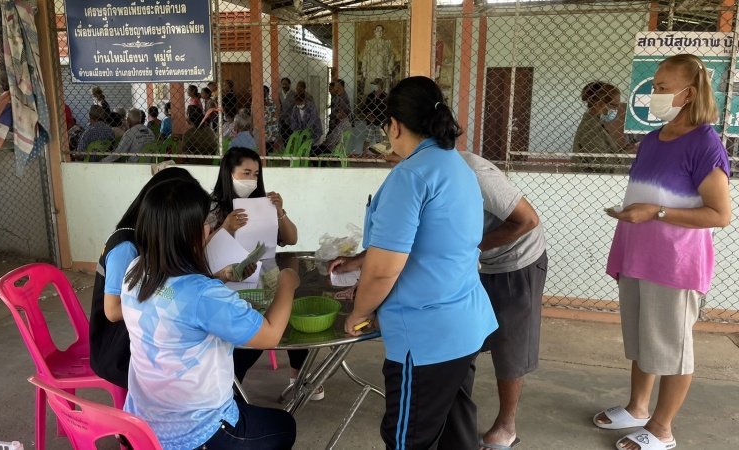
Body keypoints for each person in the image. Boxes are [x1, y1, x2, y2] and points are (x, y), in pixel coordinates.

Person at [328, 76, 497, 449]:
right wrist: (360, 260)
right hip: (464, 324)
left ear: (395, 125)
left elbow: (385, 269)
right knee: (455, 429)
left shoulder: (410, 176)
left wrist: (359, 311)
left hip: (425, 337)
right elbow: (430, 242)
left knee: (408, 438)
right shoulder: (455, 165)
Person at [597, 54, 731, 450]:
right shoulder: (654, 140)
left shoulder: (705, 145)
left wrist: (656, 212)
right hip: (638, 255)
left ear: (688, 94)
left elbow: (720, 214)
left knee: (673, 349)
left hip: (674, 265)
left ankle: (662, 429)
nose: (652, 94)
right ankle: (638, 407)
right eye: (654, 86)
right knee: (643, 340)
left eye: (661, 88)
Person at [119, 176, 298, 450]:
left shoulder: (136, 271)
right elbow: (270, 335)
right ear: (193, 233)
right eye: (207, 223)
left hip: (141, 424)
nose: (209, 228)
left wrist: (219, 277)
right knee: (285, 427)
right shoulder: (203, 295)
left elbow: (169, 296)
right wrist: (288, 281)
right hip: (198, 433)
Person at [207, 148, 314, 397]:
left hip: (266, 277)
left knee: (292, 318)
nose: (251, 180)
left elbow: (291, 238)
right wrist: (225, 228)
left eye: (255, 174)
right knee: (248, 336)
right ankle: (232, 390)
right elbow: (202, 251)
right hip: (229, 284)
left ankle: (298, 378)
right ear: (229, 173)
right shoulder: (212, 208)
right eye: (245, 173)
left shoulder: (262, 204)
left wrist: (280, 212)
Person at [459, 151, 548, 450]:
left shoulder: (473, 171)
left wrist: (473, 248)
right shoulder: (420, 174)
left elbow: (528, 220)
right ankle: (456, 413)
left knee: (510, 342)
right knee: (463, 336)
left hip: (516, 260)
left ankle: (506, 426)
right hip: (475, 260)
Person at [90, 167, 198, 389]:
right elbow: (112, 312)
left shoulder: (149, 238)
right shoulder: (126, 246)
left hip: (139, 334)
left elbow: (158, 288)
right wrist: (166, 299)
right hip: (117, 350)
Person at [572, 81, 631, 172]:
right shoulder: (591, 128)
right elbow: (604, 164)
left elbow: (605, 155)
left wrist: (625, 150)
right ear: (599, 103)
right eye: (614, 106)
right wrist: (628, 153)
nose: (616, 110)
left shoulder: (596, 123)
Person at [360, 25, 396, 92]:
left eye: (381, 31)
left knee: (383, 92)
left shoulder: (387, 43)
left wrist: (389, 68)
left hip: (383, 70)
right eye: (378, 30)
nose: (379, 32)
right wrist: (364, 70)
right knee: (370, 92)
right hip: (371, 70)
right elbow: (365, 57)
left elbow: (392, 56)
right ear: (374, 32)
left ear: (383, 32)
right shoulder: (369, 43)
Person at [362, 78, 388, 150]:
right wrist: (367, 115)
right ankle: (364, 155)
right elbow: (364, 108)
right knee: (367, 139)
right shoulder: (370, 96)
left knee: (379, 141)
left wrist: (375, 119)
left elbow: (385, 112)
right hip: (370, 122)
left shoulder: (385, 96)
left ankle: (380, 156)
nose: (373, 86)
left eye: (375, 84)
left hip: (380, 122)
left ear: (380, 85)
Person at [279, 77, 296, 144]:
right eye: (283, 84)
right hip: (283, 119)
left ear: (289, 84)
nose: (284, 85)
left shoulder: (294, 94)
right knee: (284, 136)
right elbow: (279, 106)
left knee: (291, 136)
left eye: (286, 84)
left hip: (292, 119)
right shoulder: (279, 94)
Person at [264, 85, 279, 149]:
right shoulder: (257, 103)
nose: (264, 93)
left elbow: (276, 115)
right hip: (262, 128)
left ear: (267, 93)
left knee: (269, 147)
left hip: (271, 128)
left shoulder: (272, 102)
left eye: (265, 91)